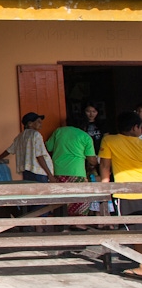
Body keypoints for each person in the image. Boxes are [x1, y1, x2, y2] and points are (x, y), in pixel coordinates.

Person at [98, 111, 142, 279]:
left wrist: (105, 186)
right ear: (134, 127)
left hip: (126, 194)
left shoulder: (109, 140)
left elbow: (105, 166)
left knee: (136, 232)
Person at [46, 122, 97, 220]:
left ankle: (62, 223)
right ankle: (78, 224)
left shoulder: (58, 131)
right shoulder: (85, 136)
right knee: (80, 199)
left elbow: (48, 147)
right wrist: (97, 162)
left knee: (61, 199)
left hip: (58, 171)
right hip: (77, 173)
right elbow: (92, 160)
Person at [0, 112, 55, 183]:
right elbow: (39, 156)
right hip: (40, 172)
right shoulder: (36, 135)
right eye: (38, 122)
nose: (41, 124)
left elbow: (9, 151)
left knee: (31, 193)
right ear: (30, 124)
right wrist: (50, 175)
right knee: (42, 193)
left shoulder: (20, 137)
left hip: (26, 172)